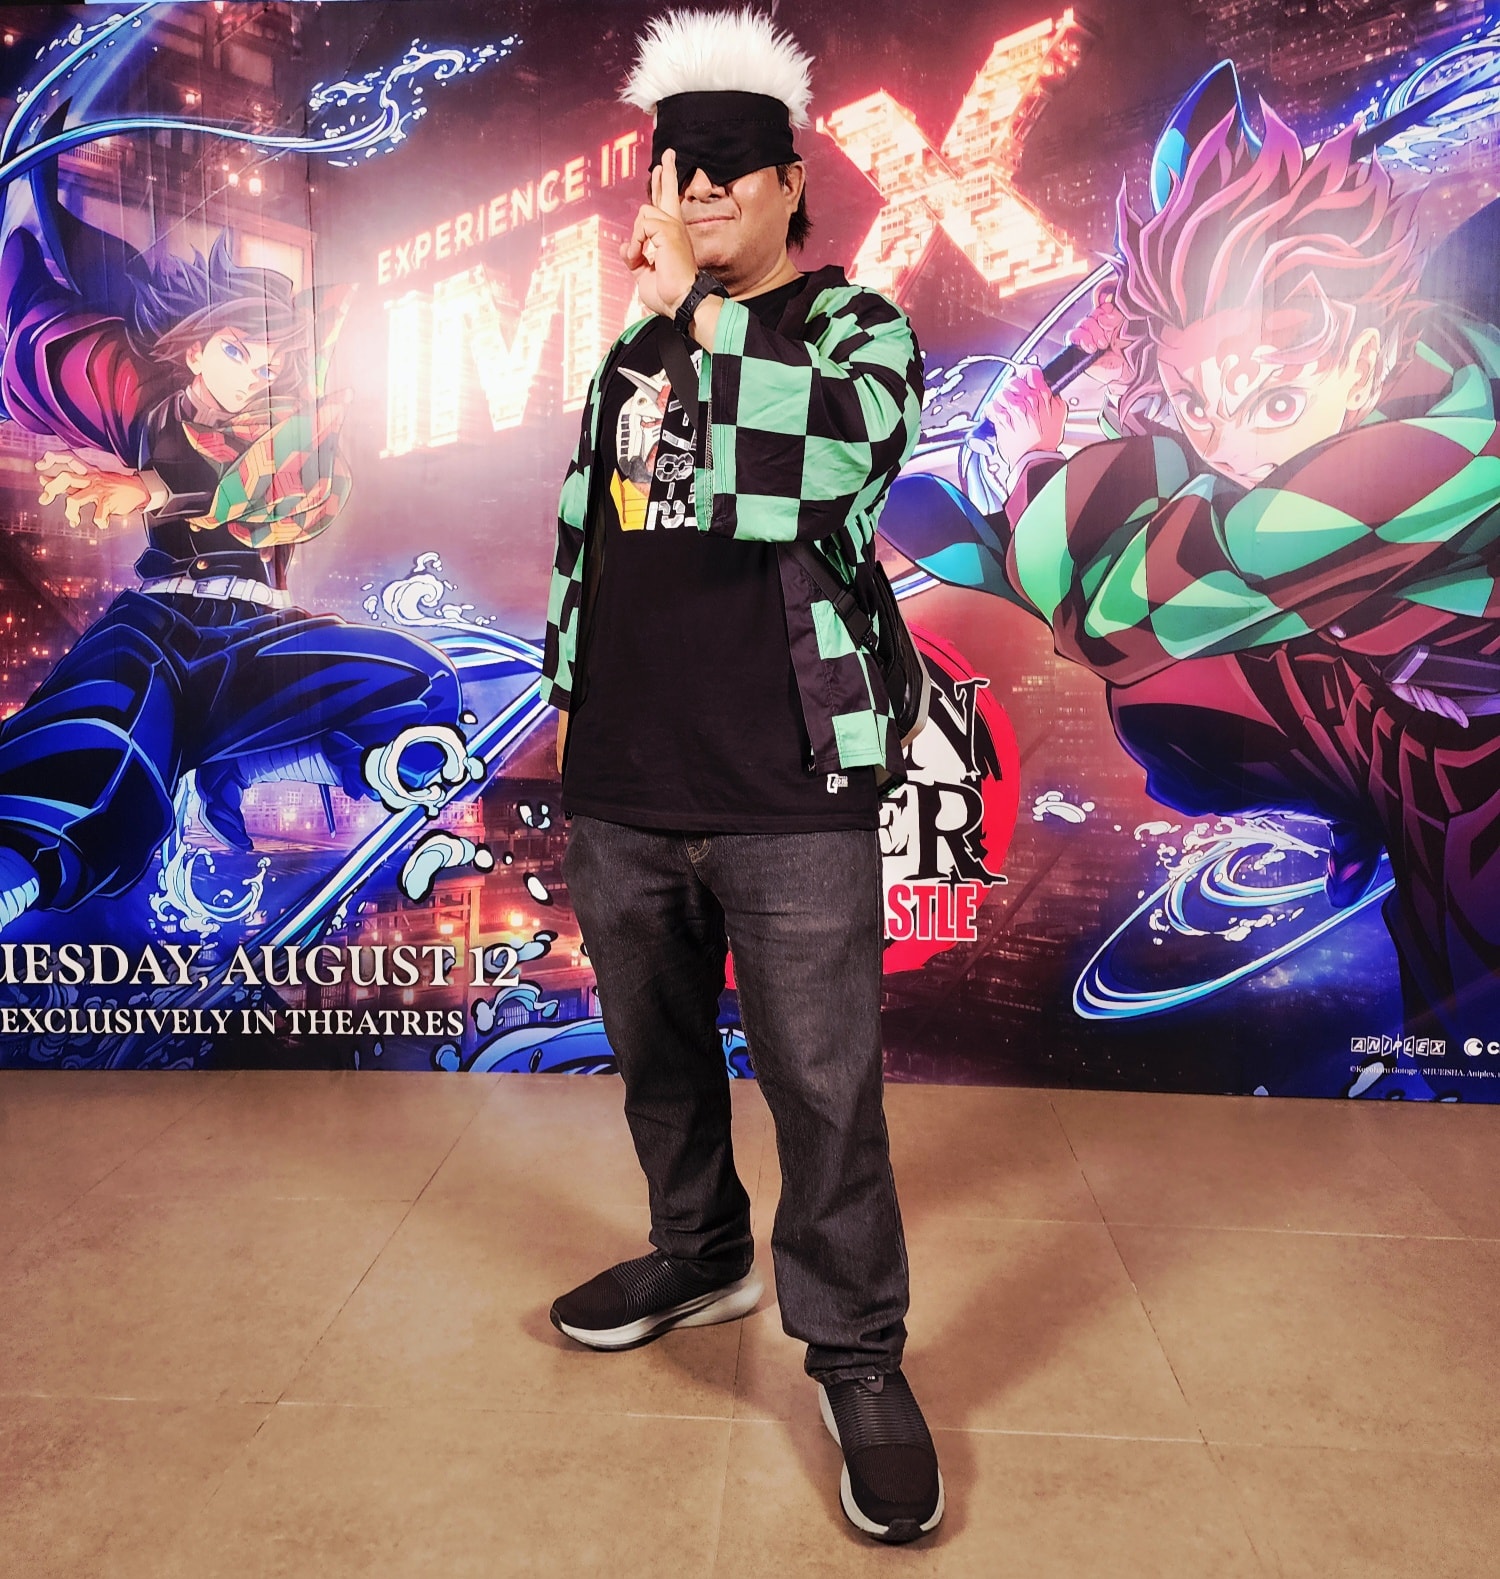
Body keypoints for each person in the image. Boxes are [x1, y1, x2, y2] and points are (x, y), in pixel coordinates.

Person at [540, 8, 942, 1544]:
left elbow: (828, 468)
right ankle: (699, 1250)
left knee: (824, 1091)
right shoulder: (632, 349)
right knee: (655, 1059)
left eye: (731, 164)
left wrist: (703, 322)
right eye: (678, 163)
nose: (700, 187)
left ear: (789, 185)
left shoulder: (854, 329)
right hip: (624, 780)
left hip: (787, 783)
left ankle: (855, 1352)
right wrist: (572, 700)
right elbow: (597, 531)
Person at [884, 93, 1500, 1053]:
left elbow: (1124, 616)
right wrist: (1142, 361)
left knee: (1462, 999)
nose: (1235, 447)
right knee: (1168, 699)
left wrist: (1036, 466)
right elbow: (1208, 461)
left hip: (1475, 761)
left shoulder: (1415, 457)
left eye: (1277, 402)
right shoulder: (1386, 361)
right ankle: (1355, 804)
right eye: (1197, 400)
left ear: (1366, 356)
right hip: (1376, 686)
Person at [0, 173, 461, 927]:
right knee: (108, 724)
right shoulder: (145, 406)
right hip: (158, 626)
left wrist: (147, 489)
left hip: (253, 632)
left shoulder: (288, 437)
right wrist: (32, 208)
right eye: (240, 351)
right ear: (194, 350)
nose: (256, 376)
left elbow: (256, 492)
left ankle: (371, 756)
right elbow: (82, 318)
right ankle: (20, 866)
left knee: (408, 670)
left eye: (270, 364)